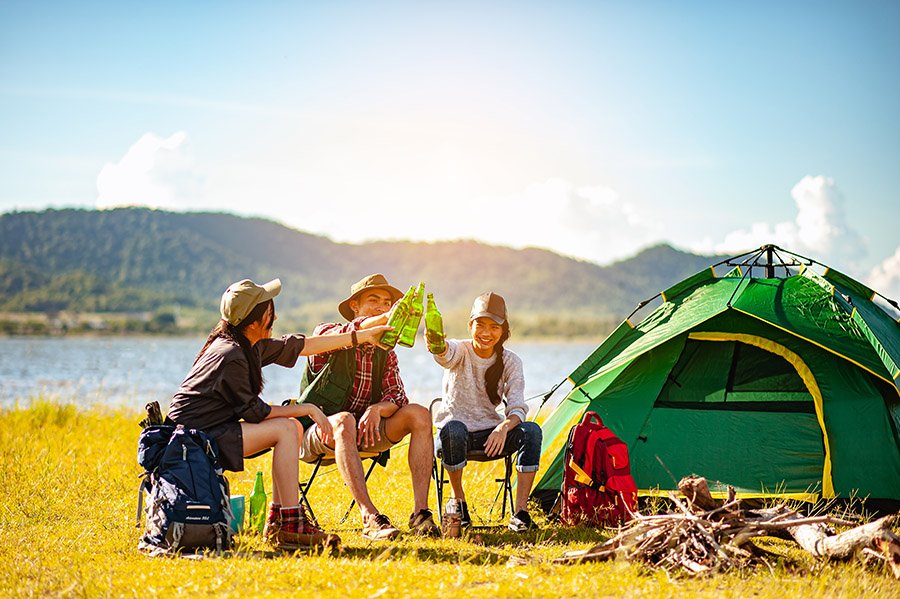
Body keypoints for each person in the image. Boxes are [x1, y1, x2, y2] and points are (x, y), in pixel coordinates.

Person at [167, 278, 391, 550]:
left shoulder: (247, 344)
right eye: (269, 311)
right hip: (191, 441)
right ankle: (290, 525)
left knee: (290, 427)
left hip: (207, 431)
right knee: (286, 428)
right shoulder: (231, 354)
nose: (275, 317)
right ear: (253, 321)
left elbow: (304, 345)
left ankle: (279, 521)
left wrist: (363, 336)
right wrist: (307, 408)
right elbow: (255, 412)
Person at [299, 273, 439, 540]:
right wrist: (385, 320)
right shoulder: (327, 333)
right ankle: (370, 517)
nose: (381, 307)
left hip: (365, 433)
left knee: (419, 414)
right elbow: (348, 331)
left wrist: (376, 409)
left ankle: (421, 513)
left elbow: (397, 396)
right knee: (344, 420)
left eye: (387, 303)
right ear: (355, 306)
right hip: (317, 433)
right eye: (373, 300)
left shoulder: (386, 351)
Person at [429, 292, 543, 532]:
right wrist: (436, 344)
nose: (486, 332)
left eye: (494, 327)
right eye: (480, 325)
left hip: (490, 435)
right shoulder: (460, 349)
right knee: (454, 429)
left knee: (532, 431)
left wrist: (503, 428)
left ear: (503, 331)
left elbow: (517, 406)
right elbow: (444, 354)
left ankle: (520, 513)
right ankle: (458, 501)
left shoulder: (511, 361)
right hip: (452, 437)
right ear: (470, 325)